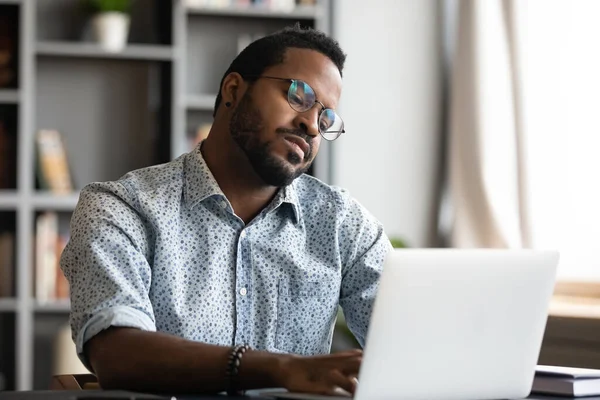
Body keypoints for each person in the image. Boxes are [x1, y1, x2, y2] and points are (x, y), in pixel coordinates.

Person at [60, 24, 391, 396]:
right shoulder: (122, 208)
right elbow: (118, 354)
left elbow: (410, 346)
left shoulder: (344, 225)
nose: (311, 125)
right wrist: (281, 369)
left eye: (326, 118)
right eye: (299, 95)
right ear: (234, 89)